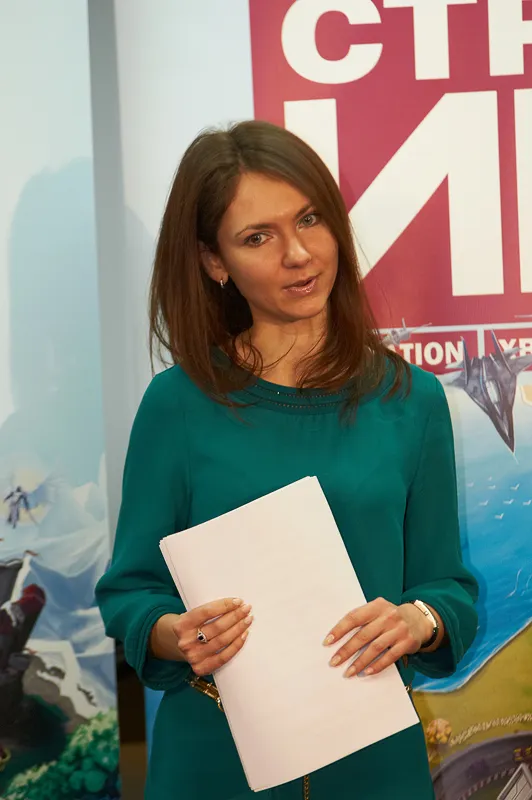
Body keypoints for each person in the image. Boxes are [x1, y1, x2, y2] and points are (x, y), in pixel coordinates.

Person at [95, 120, 478, 800]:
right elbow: (130, 592)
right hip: (214, 760)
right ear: (214, 262)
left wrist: (417, 619)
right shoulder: (177, 404)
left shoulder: (411, 399)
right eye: (257, 237)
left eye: (309, 219)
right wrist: (175, 634)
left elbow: (447, 587)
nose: (298, 254)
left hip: (373, 760)